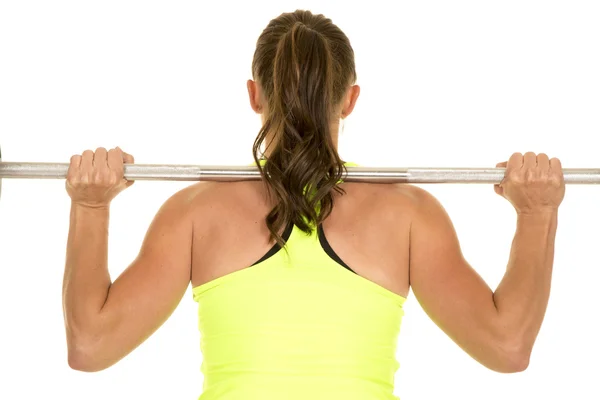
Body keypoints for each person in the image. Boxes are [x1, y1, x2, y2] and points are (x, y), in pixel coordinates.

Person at [61, 9, 565, 400]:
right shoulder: (408, 215)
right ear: (349, 99)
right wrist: (536, 212)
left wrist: (90, 205)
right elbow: (506, 345)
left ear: (255, 95)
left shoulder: (194, 212)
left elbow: (91, 346)